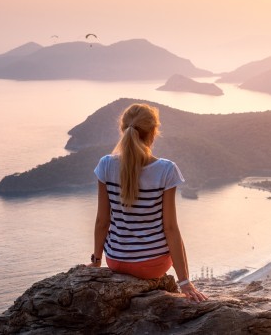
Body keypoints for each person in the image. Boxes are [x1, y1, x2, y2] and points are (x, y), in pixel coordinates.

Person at [87, 103, 207, 302]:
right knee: (171, 233)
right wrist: (184, 282)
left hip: (116, 261)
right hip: (153, 264)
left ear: (123, 130)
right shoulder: (166, 170)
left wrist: (97, 262)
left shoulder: (106, 165)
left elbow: (102, 221)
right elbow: (170, 228)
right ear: (153, 132)